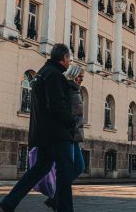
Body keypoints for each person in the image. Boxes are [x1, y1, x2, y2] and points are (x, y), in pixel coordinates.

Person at [0, 43, 75, 212]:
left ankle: (8, 203)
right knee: (64, 174)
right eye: (69, 58)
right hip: (58, 135)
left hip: (42, 134)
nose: (70, 62)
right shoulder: (55, 76)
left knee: (38, 170)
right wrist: (71, 122)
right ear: (64, 58)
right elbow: (56, 105)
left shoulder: (41, 74)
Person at [42, 65, 86, 211]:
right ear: (72, 75)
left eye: (82, 77)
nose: (80, 79)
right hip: (68, 134)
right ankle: (57, 199)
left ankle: (55, 197)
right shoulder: (67, 88)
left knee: (79, 166)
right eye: (78, 76)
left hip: (74, 135)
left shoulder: (76, 89)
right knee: (71, 168)